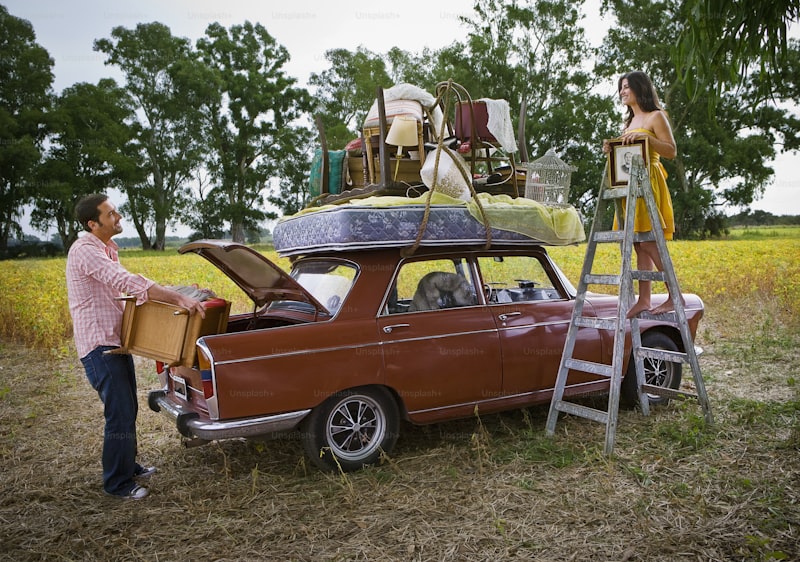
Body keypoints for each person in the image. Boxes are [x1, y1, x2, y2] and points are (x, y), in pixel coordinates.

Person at [66, 193, 206, 500]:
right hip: (99, 347)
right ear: (93, 223)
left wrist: (176, 291)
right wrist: (178, 298)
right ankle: (117, 483)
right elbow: (127, 281)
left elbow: (131, 290)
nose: (118, 217)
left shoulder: (106, 249)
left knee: (127, 409)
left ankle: (128, 465)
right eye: (111, 214)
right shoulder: (85, 251)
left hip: (115, 345)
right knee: (119, 413)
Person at [602, 70, 681, 318]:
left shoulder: (656, 116)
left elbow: (671, 151)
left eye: (627, 87)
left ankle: (674, 294)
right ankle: (644, 299)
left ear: (640, 88)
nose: (623, 91)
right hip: (630, 187)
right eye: (621, 88)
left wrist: (648, 142)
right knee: (637, 242)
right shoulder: (627, 124)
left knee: (648, 240)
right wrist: (610, 149)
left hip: (650, 182)